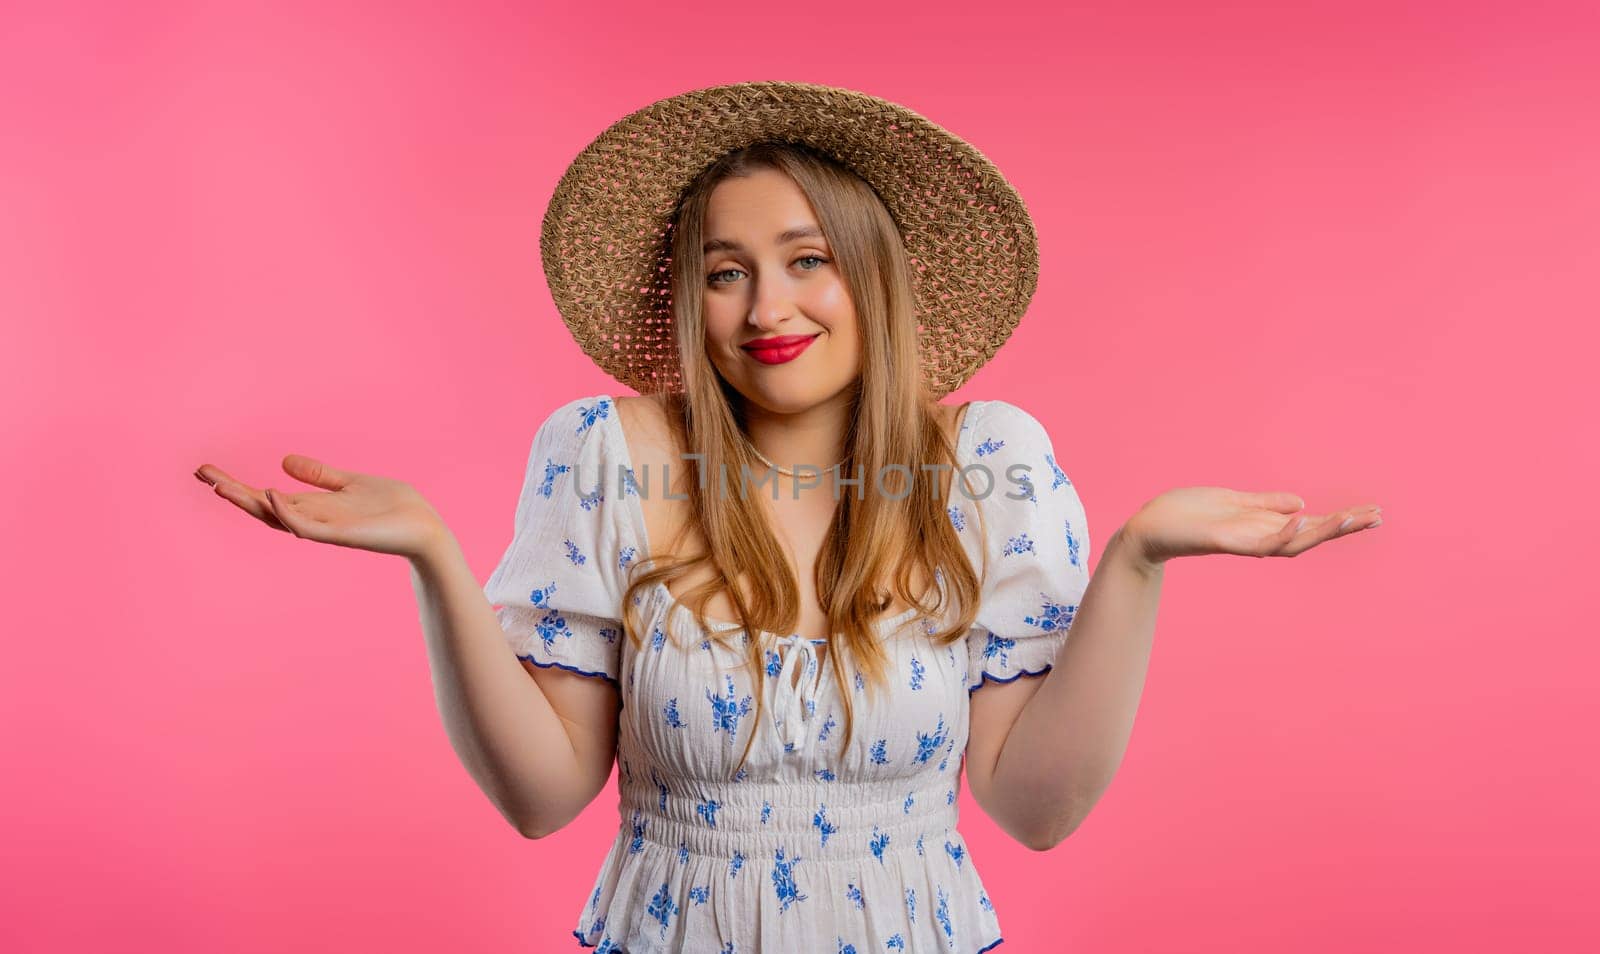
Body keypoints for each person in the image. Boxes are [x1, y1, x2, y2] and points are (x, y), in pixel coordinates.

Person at [194, 82, 1381, 953]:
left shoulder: (989, 466)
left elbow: (1033, 809)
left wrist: (1137, 559)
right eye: (723, 270)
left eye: (806, 259)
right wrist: (433, 561)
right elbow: (542, 797)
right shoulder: (605, 454)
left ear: (873, 280)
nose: (767, 306)